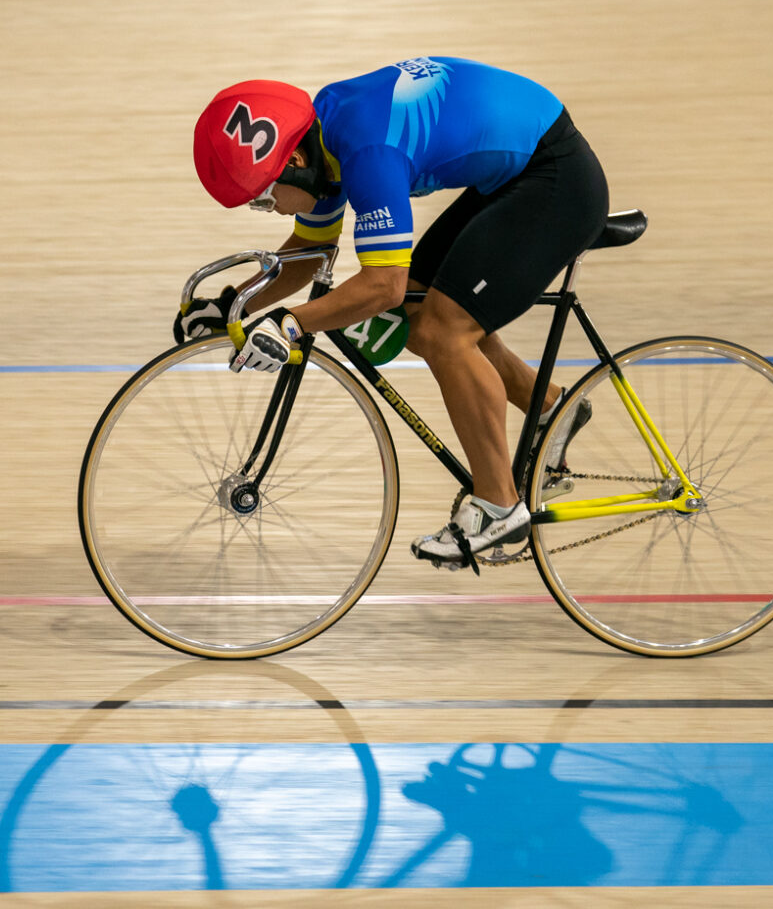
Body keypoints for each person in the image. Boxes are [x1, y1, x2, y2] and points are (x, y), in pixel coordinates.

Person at [186, 57, 609, 567]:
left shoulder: (367, 151)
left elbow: (382, 286)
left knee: (445, 331)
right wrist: (234, 304)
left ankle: (499, 510)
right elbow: (311, 253)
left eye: (263, 198)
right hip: (521, 171)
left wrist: (291, 323)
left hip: (556, 178)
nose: (271, 209)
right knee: (418, 310)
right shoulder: (324, 142)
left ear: (293, 160)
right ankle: (552, 410)